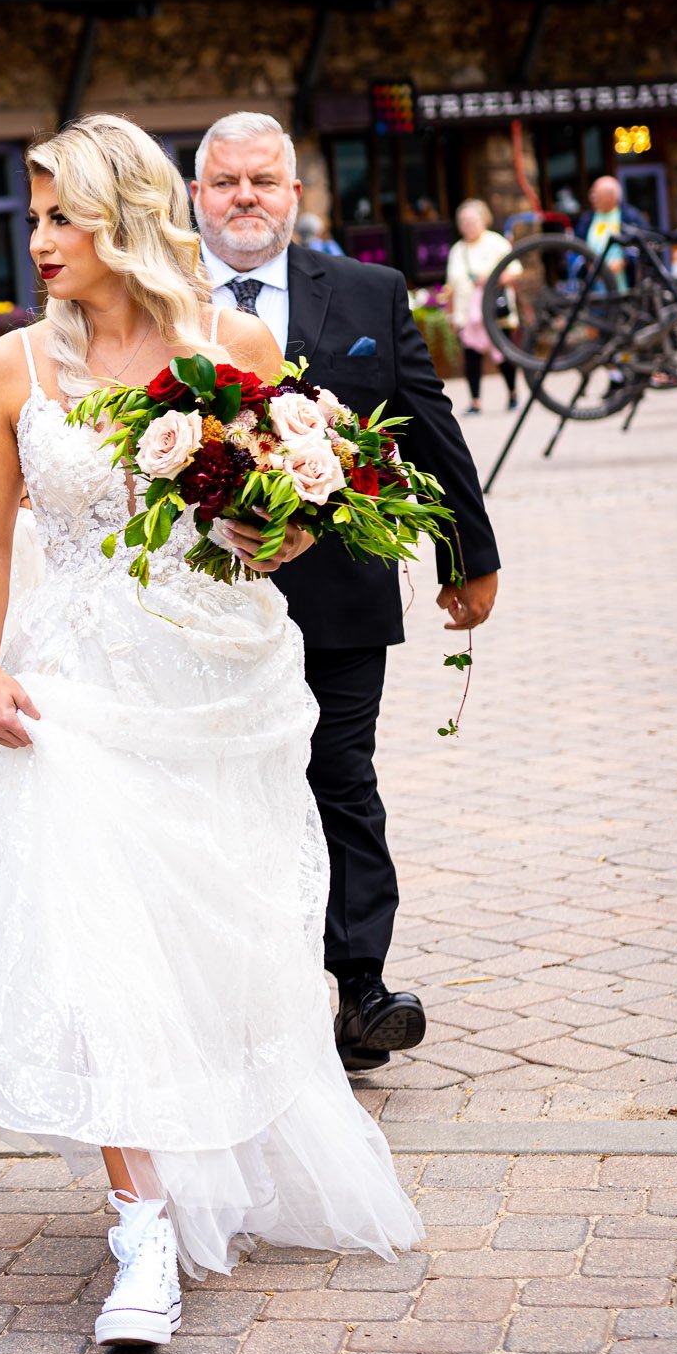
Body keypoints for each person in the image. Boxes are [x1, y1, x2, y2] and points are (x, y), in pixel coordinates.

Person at [0, 115, 424, 1347]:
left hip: (208, 679)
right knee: (87, 938)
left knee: (204, 943)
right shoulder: (11, 366)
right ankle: (142, 1233)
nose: (38, 240)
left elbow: (292, 501)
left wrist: (275, 528)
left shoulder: (231, 345)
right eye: (34, 216)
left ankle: (210, 1159)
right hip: (62, 690)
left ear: (123, 217)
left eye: (59, 215)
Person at [191, 110, 500, 1069]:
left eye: (265, 181)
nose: (247, 196)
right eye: (227, 181)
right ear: (196, 197)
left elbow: (427, 420)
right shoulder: (158, 302)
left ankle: (361, 987)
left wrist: (467, 555)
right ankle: (238, 994)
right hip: (201, 604)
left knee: (341, 780)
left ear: (295, 195)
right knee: (223, 790)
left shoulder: (370, 291)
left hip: (341, 598)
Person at [446, 199, 519, 414]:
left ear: (483, 220)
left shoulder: (496, 242)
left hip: (495, 313)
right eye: (464, 221)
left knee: (504, 355)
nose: (468, 225)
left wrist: (490, 279)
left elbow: (515, 270)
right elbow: (451, 285)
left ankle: (513, 393)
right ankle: (475, 401)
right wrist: (451, 315)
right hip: (467, 314)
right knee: (471, 358)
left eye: (472, 220)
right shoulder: (457, 249)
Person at [575, 175, 649, 281]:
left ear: (612, 197)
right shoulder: (587, 219)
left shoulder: (630, 216)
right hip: (594, 282)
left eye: (598, 195)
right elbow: (576, 245)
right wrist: (588, 265)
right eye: (592, 193)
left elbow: (643, 245)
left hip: (625, 281)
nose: (592, 198)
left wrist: (625, 261)